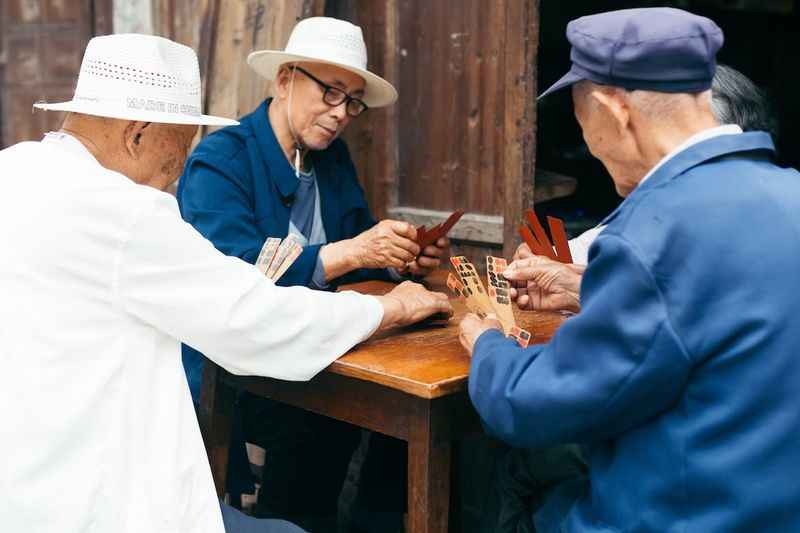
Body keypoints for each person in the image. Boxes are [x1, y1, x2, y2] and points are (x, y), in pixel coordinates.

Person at [0, 34, 451, 533]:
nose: (177, 169)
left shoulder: (13, 171)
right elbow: (251, 316)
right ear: (137, 133)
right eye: (180, 144)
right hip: (90, 499)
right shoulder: (128, 211)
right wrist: (391, 310)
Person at [460, 7, 800, 532]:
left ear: (612, 109)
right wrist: (585, 290)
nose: (588, 147)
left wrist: (485, 342)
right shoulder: (788, 194)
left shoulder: (653, 230)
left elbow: (532, 405)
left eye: (579, 120)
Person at [177, 17, 442, 530]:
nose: (341, 114)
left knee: (405, 424)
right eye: (331, 93)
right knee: (320, 424)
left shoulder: (331, 157)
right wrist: (350, 252)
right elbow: (234, 268)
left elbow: (358, 235)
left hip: (323, 347)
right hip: (241, 362)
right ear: (284, 80)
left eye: (353, 102)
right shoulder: (220, 160)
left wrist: (398, 254)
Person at [508, 64, 782, 315]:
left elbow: (681, 322)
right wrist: (556, 264)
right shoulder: (663, 208)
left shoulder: (718, 214)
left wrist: (490, 348)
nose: (594, 144)